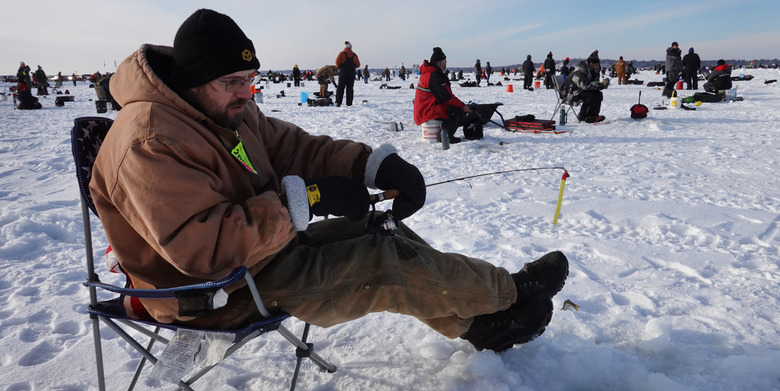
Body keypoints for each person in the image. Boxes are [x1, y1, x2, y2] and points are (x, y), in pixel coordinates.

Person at [89, 10, 569, 354]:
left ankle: (479, 325)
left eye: (250, 78)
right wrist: (307, 200)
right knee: (382, 262)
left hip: (263, 258)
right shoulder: (150, 140)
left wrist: (374, 167)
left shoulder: (225, 111)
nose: (246, 92)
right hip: (211, 293)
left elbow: (297, 148)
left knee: (384, 232)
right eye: (232, 81)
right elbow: (203, 249)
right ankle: (510, 292)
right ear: (193, 81)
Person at [414, 47, 483, 145]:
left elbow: (445, 96)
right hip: (427, 111)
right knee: (456, 111)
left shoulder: (430, 73)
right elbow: (447, 98)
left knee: (455, 108)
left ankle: (445, 133)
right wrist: (463, 107)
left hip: (426, 108)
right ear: (440, 62)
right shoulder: (434, 75)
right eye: (445, 61)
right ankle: (446, 137)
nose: (446, 63)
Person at [562, 50, 605, 123]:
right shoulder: (580, 71)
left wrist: (599, 85)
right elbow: (585, 85)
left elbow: (588, 83)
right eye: (596, 65)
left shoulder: (588, 69)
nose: (596, 67)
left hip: (578, 89)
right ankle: (583, 115)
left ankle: (593, 115)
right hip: (570, 92)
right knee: (590, 96)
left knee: (598, 94)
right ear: (591, 63)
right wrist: (599, 85)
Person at [335, 41, 360, 106]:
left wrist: (340, 66)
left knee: (340, 88)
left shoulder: (342, 54)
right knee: (350, 89)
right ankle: (349, 103)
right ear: (351, 47)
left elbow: (337, 62)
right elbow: (358, 65)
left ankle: (338, 102)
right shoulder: (354, 55)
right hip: (351, 74)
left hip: (343, 73)